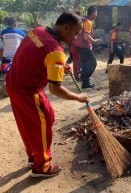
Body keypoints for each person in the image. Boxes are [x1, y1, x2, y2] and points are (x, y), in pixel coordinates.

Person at [6, 12, 89, 178]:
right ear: (66, 27)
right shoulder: (55, 50)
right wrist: (78, 97)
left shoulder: (37, 31)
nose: (77, 36)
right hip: (28, 90)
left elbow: (37, 54)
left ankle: (33, 155)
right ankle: (42, 166)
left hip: (13, 83)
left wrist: (59, 65)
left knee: (28, 122)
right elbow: (55, 89)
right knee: (43, 122)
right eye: (76, 32)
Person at [76, 6, 100, 89]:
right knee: (93, 63)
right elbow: (86, 36)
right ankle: (85, 81)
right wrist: (94, 41)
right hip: (84, 47)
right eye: (96, 13)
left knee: (85, 64)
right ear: (93, 13)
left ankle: (85, 82)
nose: (97, 15)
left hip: (79, 46)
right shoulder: (88, 22)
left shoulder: (83, 20)